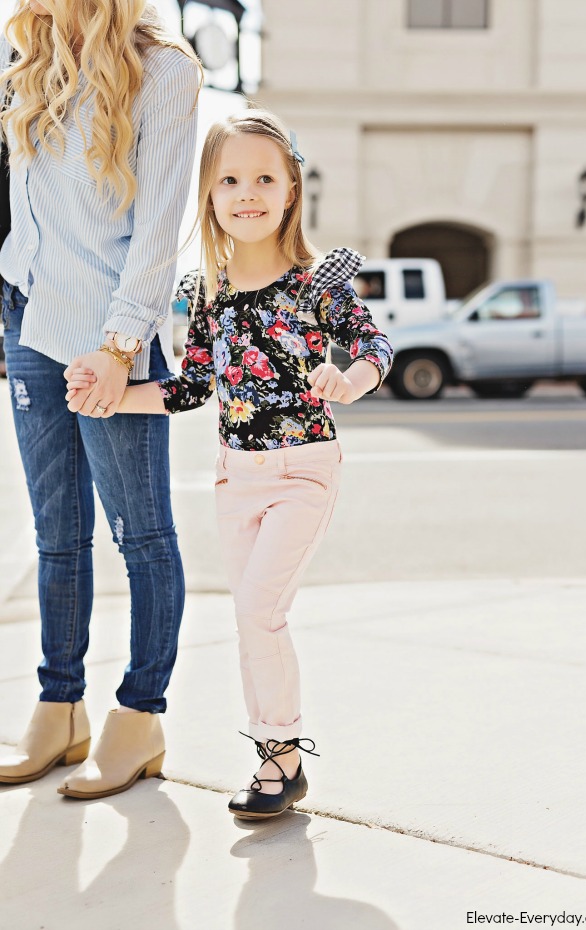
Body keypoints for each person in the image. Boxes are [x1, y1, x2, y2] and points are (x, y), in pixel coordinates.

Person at [65, 109, 393, 819]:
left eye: (265, 178)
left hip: (304, 469)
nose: (248, 193)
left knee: (257, 610)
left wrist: (351, 377)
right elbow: (189, 389)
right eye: (230, 180)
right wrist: (109, 397)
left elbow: (376, 346)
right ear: (209, 195)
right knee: (253, 621)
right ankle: (277, 761)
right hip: (234, 476)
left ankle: (281, 760)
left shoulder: (316, 284)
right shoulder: (204, 293)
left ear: (291, 190)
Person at [0, 0, 201, 800]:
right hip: (27, 318)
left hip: (109, 336)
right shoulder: (28, 63)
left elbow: (159, 228)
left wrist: (120, 348)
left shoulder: (165, 70)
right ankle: (60, 708)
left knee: (140, 536)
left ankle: (140, 716)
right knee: (56, 536)